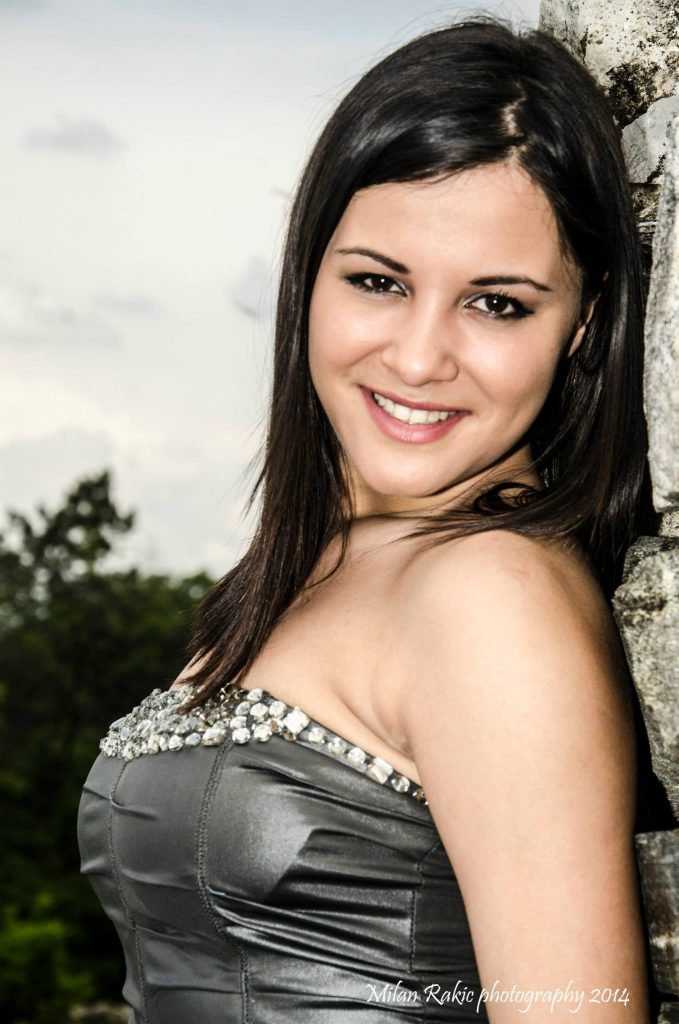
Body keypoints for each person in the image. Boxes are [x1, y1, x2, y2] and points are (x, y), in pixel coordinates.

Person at [77, 15, 654, 1023]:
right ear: (309, 275)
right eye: (378, 282)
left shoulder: (488, 593)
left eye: (497, 303)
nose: (420, 357)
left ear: (585, 322)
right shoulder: (307, 567)